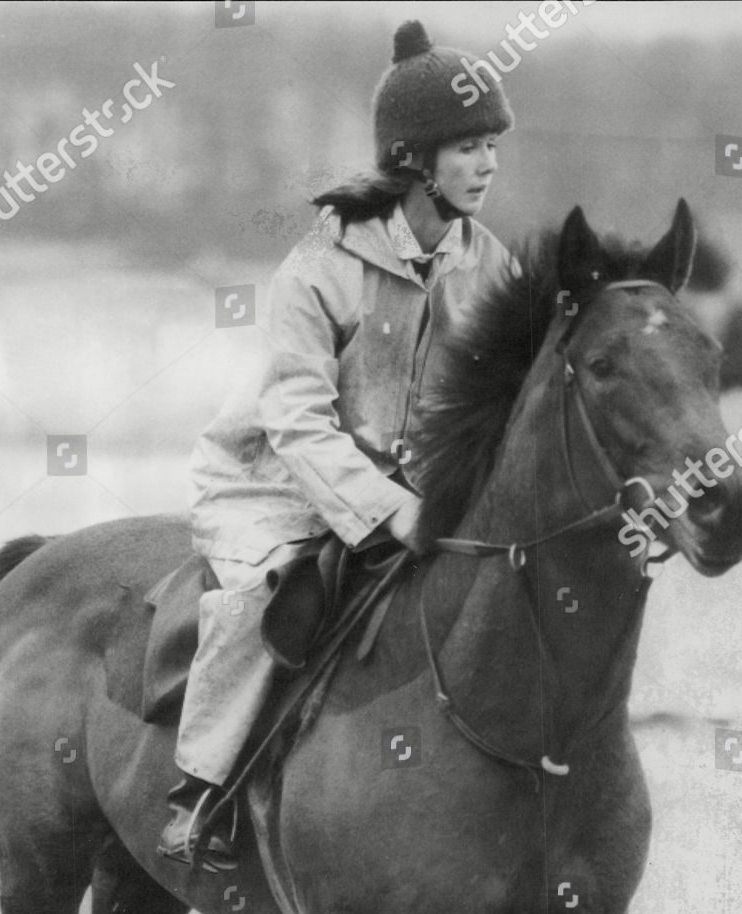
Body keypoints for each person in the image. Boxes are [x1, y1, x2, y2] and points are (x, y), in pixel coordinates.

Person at [159, 18, 516, 870]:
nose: (488, 165)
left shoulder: (491, 264)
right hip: (271, 485)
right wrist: (390, 510)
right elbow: (296, 422)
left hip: (418, 491)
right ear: (414, 161)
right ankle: (202, 792)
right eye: (468, 148)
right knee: (269, 598)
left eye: (493, 146)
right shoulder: (320, 267)